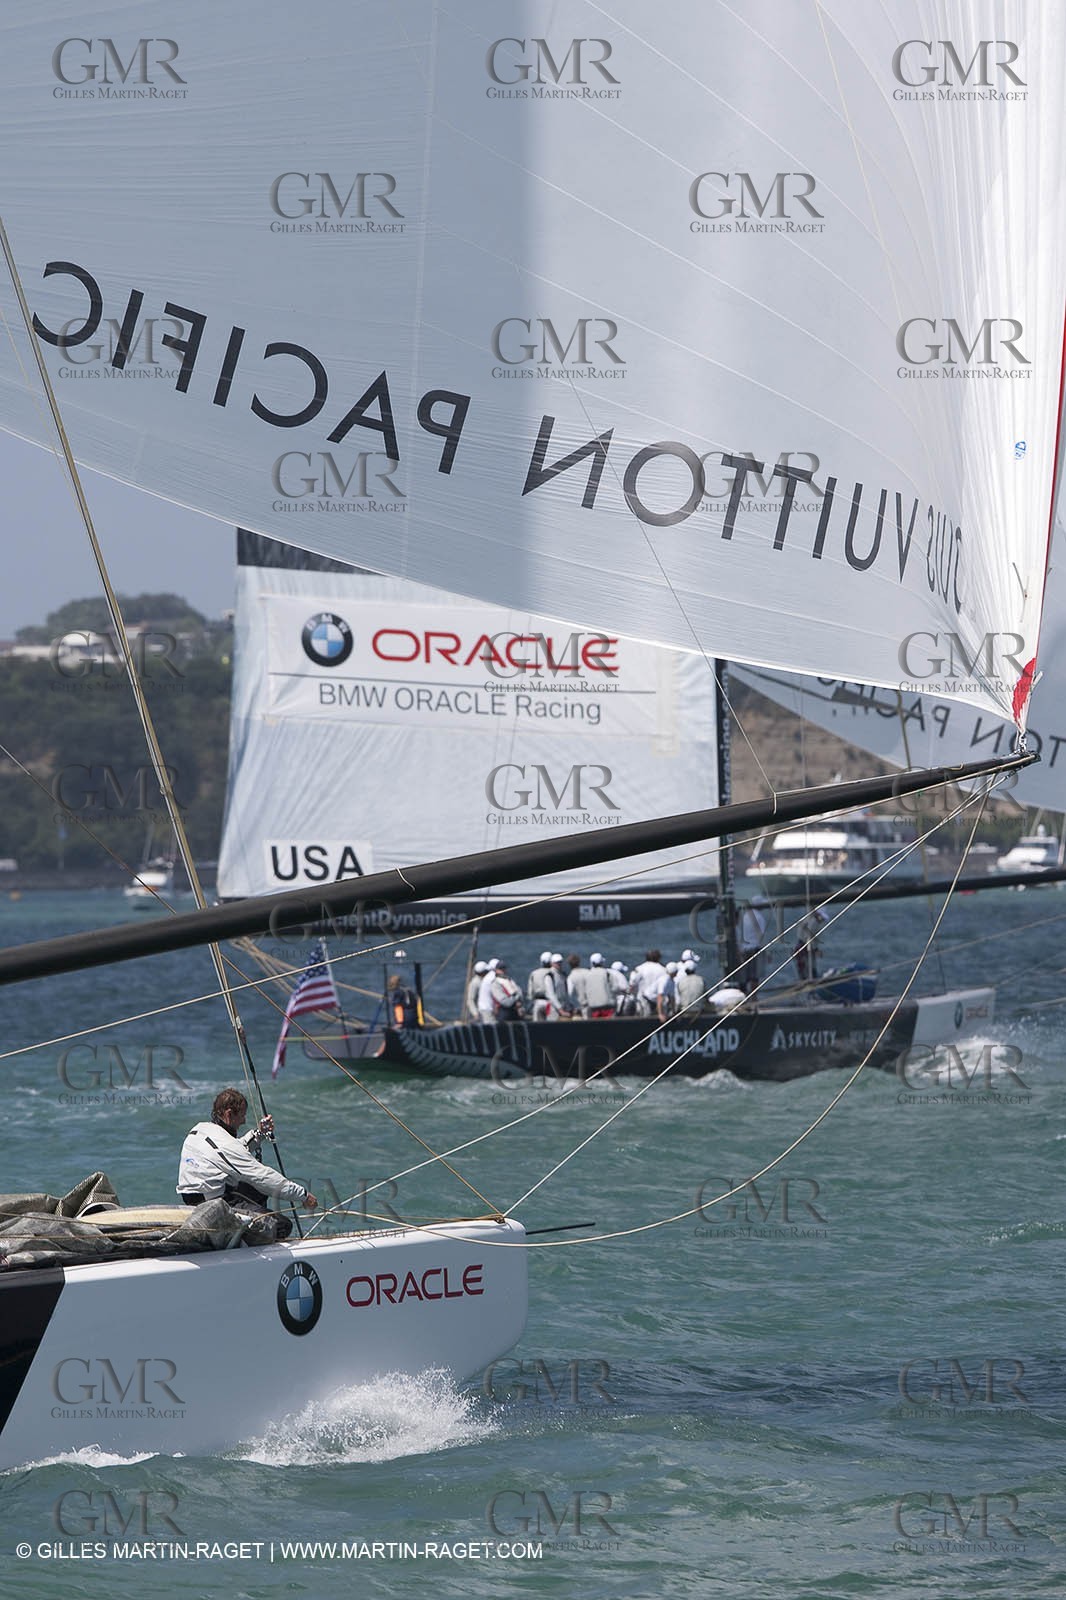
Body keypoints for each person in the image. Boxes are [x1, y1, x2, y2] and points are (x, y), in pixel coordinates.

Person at [176, 1088, 316, 1236]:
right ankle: (242, 1250)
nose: (244, 1121)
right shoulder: (226, 1145)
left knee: (255, 1191)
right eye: (242, 1115)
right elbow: (263, 1177)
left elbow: (229, 1152)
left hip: (196, 1196)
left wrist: (259, 1133)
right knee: (281, 1225)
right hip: (212, 1204)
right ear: (229, 1114)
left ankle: (251, 1226)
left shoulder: (201, 1129)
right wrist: (303, 1195)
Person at [736, 900, 768, 993]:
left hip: (745, 948)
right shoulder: (759, 917)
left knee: (746, 975)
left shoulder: (745, 916)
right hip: (755, 948)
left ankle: (744, 996)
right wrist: (767, 951)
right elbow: (760, 935)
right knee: (755, 976)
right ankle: (754, 998)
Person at [793, 908, 829, 981]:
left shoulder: (809, 920)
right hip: (805, 949)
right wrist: (816, 950)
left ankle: (807, 983)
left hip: (805, 948)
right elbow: (808, 938)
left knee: (805, 969)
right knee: (808, 970)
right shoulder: (814, 922)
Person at [632, 949, 666, 1016]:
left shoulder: (639, 968)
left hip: (642, 1001)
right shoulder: (663, 970)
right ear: (659, 958)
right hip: (659, 1002)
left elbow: (633, 984)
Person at [584, 953, 615, 1019]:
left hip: (593, 1007)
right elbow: (615, 988)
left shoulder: (587, 974)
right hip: (607, 1007)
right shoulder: (607, 973)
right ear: (601, 963)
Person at [527, 951, 553, 1020]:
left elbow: (530, 992)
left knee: (538, 1026)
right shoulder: (553, 972)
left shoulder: (534, 973)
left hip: (538, 1002)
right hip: (550, 1003)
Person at [544, 954, 572, 1019]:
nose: (559, 964)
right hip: (554, 1008)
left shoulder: (563, 975)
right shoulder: (550, 976)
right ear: (552, 963)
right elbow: (551, 995)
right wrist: (560, 1009)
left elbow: (566, 993)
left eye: (560, 962)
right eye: (557, 962)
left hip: (564, 1007)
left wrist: (568, 1006)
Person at [567, 953, 591, 1018]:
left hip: (583, 1006)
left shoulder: (571, 977)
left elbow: (569, 994)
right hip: (593, 1004)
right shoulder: (588, 972)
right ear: (579, 962)